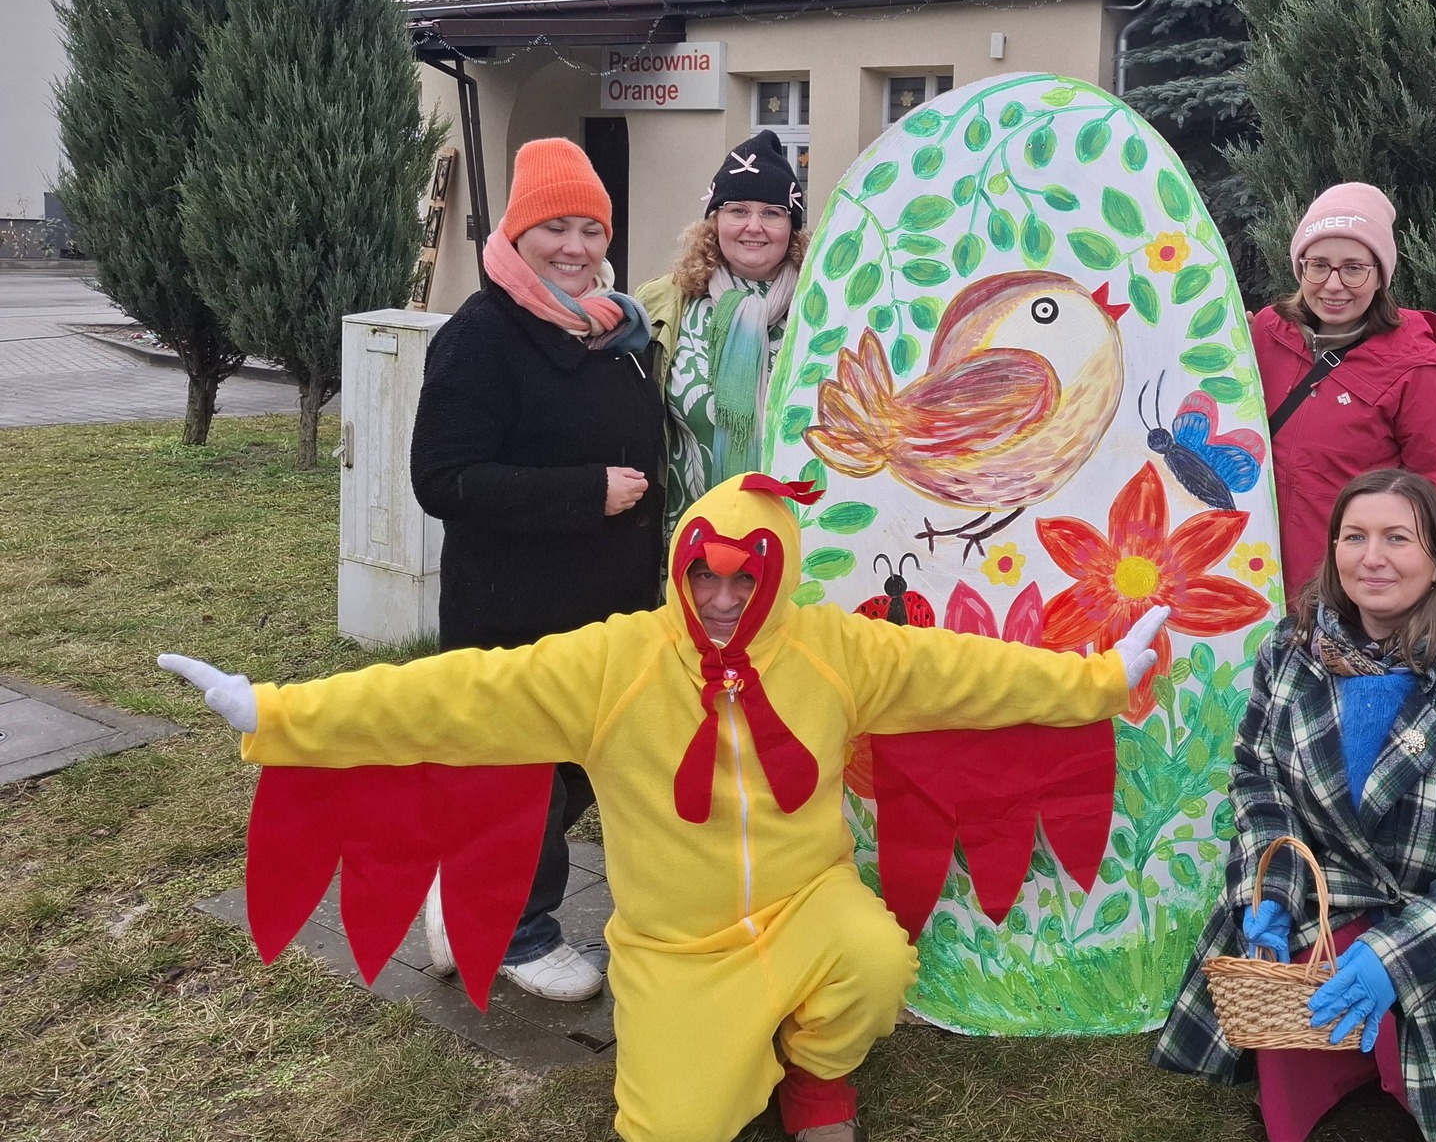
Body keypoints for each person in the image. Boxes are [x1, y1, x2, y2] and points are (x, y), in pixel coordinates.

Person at [160, 471, 1169, 1142]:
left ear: (776, 576)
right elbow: (453, 693)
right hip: (677, 947)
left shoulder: (836, 650)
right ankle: (730, 1054)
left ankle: (817, 1073)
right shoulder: (615, 664)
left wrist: (1096, 680)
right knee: (677, 1131)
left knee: (875, 965)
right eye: (702, 575)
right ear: (680, 566)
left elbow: (969, 672)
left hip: (806, 905)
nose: (721, 598)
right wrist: (277, 712)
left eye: (744, 579)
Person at [1153, 469, 1436, 1142]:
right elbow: (1261, 776)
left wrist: (1397, 958)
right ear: (1333, 550)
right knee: (1293, 1037)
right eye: (1354, 536)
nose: (1372, 557)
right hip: (1335, 887)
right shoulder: (1292, 650)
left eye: (1398, 538)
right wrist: (1272, 894)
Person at [409, 136, 662, 1002]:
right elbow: (442, 478)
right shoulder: (484, 336)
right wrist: (583, 491)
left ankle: (469, 888)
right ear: (515, 237)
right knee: (524, 776)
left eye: (590, 228)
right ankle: (515, 934)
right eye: (553, 228)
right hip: (515, 609)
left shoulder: (616, 330)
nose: (575, 248)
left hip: (611, 607)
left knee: (580, 771)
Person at [1253, 183, 1436, 600]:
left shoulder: (1416, 366)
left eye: (1354, 267)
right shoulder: (1264, 334)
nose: (1333, 284)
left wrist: (1432, 598)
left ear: (1380, 275)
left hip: (1348, 596)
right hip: (1249, 576)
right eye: (1317, 264)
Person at [639, 130, 807, 540]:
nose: (754, 227)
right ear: (715, 220)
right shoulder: (664, 302)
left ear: (792, 224)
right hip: (688, 536)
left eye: (772, 212)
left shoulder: (821, 305)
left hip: (794, 537)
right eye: (737, 210)